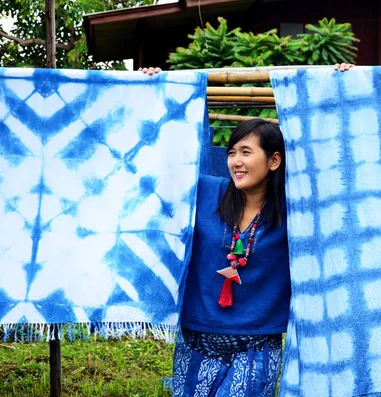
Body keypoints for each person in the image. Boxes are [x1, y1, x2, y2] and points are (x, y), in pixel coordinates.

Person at [142, 63, 353, 396]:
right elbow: (164, 161)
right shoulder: (205, 192)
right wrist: (157, 90)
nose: (235, 161)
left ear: (274, 161)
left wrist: (342, 91)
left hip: (257, 344)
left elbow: (335, 163)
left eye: (246, 152)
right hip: (196, 339)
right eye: (231, 152)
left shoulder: (294, 209)